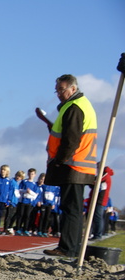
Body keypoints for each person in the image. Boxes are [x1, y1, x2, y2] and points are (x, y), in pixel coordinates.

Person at [42, 74, 98, 257]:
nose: (58, 93)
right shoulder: (77, 105)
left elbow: (71, 139)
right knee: (71, 208)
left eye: (62, 89)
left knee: (70, 209)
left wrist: (59, 160)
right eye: (56, 90)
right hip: (78, 165)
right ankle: (70, 247)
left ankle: (68, 248)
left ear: (73, 89)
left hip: (74, 166)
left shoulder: (75, 107)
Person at [88, 166, 113, 240]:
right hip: (99, 199)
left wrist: (90, 181)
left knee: (98, 217)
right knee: (97, 217)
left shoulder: (105, 175)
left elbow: (96, 182)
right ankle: (96, 234)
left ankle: (98, 235)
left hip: (100, 200)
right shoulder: (104, 175)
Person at [15, 168, 41, 236]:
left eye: (32, 174)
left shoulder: (35, 184)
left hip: (29, 202)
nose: (31, 175)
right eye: (29, 174)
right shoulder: (24, 182)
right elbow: (19, 190)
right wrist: (25, 191)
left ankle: (25, 229)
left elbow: (35, 195)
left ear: (35, 175)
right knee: (20, 215)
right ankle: (18, 229)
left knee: (27, 216)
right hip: (23, 201)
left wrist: (30, 192)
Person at [4, 170, 24, 235]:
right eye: (18, 175)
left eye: (20, 177)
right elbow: (8, 191)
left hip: (15, 202)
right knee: (8, 215)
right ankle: (6, 228)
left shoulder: (17, 184)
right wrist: (8, 200)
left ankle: (9, 227)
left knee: (13, 215)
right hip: (10, 201)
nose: (18, 177)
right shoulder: (11, 182)